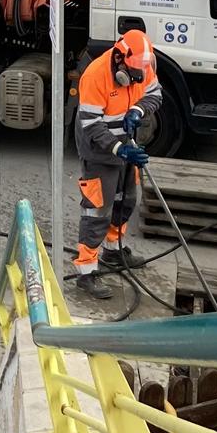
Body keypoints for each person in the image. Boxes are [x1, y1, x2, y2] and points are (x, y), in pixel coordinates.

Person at [69, 28, 161, 300]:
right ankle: (86, 272)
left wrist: (138, 110)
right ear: (120, 60)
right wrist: (120, 149)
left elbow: (155, 95)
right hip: (101, 153)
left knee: (126, 201)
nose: (136, 80)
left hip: (125, 147)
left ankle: (113, 250)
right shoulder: (96, 75)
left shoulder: (142, 68)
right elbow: (91, 126)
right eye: (132, 75)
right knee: (98, 210)